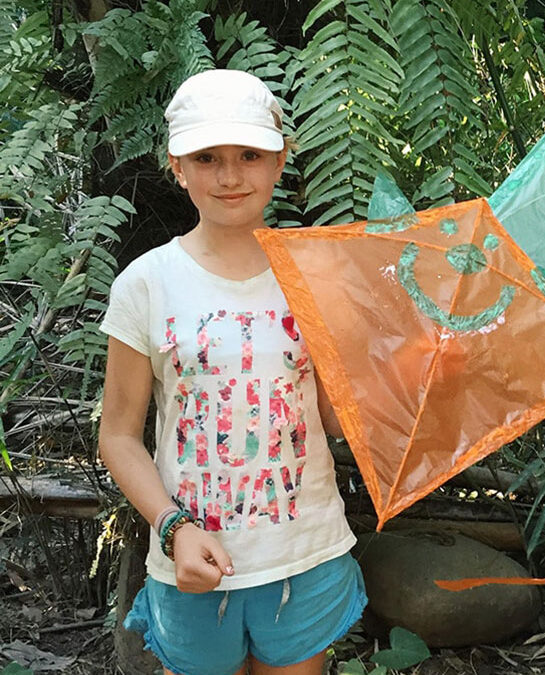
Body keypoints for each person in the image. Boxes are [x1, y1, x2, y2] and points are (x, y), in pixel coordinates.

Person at [98, 69, 366, 675]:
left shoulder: (317, 276)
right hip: (189, 562)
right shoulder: (145, 283)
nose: (229, 176)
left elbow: (333, 419)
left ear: (279, 161)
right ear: (177, 165)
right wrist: (172, 528)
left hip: (304, 553)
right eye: (207, 157)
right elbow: (117, 435)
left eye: (249, 154)